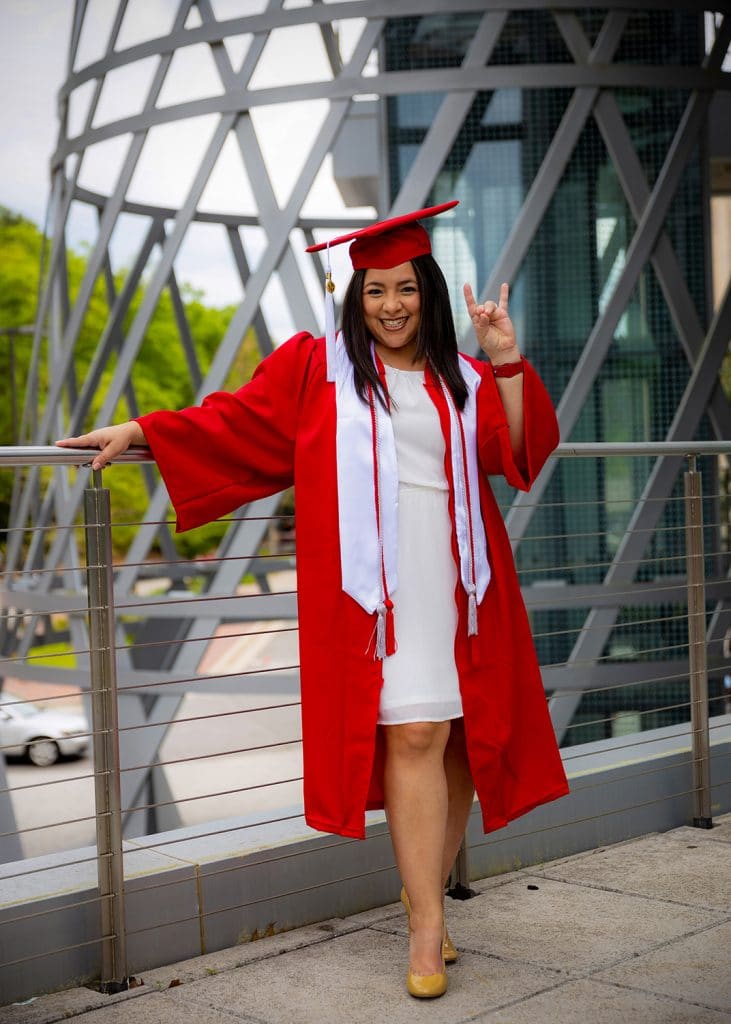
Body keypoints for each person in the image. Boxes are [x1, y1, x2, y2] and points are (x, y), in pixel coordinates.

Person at [57, 201, 569, 1000]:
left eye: (404, 289)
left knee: (461, 738)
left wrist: (503, 357)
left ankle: (422, 889)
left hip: (463, 582)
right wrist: (143, 430)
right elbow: (236, 422)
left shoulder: (463, 378)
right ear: (353, 296)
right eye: (374, 291)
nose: (391, 305)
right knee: (415, 733)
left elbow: (521, 453)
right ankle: (425, 926)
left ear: (427, 294)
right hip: (373, 594)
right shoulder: (315, 368)